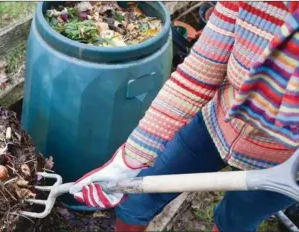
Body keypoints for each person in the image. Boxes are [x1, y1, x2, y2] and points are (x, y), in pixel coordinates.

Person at [69, 2, 299, 232]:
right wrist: (129, 159)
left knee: (234, 223)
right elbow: (198, 75)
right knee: (136, 202)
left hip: (284, 163)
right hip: (215, 124)